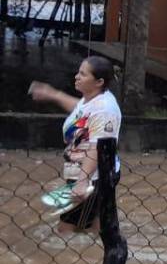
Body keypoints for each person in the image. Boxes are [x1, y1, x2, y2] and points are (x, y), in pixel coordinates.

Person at [28, 56, 122, 234]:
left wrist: (82, 182)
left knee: (66, 232)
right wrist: (52, 94)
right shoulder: (93, 99)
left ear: (99, 82)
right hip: (92, 173)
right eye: (78, 72)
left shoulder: (104, 109)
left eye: (83, 74)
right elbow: (80, 110)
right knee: (98, 227)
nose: (77, 77)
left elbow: (97, 147)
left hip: (93, 177)